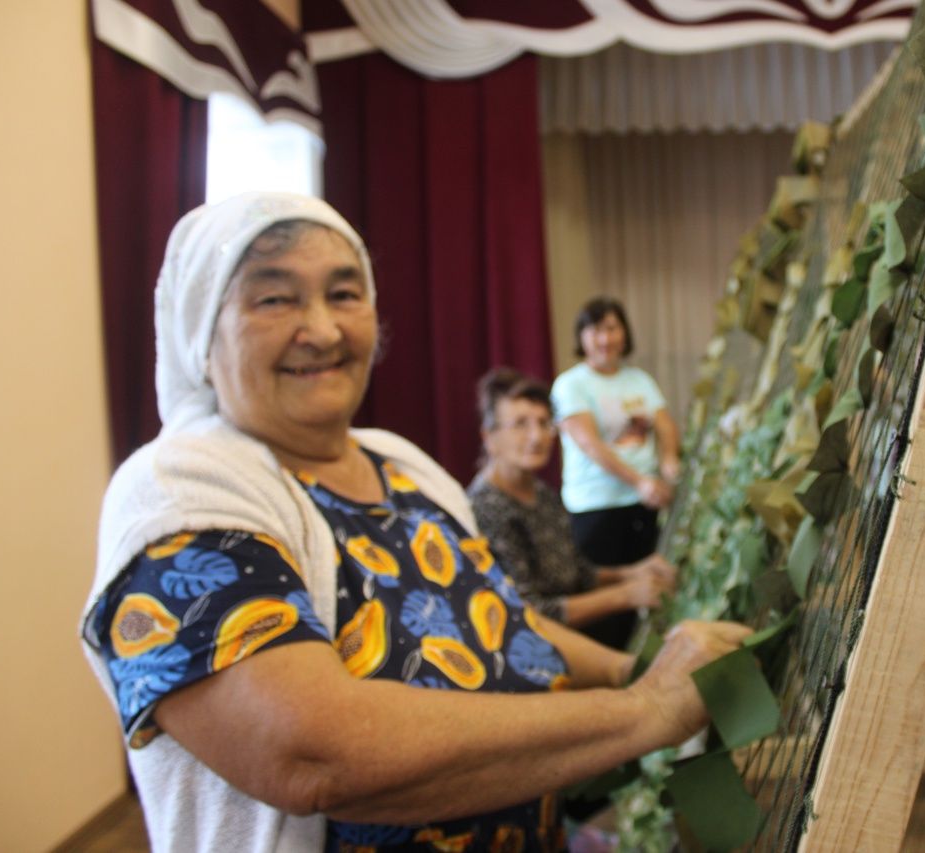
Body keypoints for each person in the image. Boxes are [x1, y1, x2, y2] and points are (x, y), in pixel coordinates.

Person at [79, 192, 749, 852]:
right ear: (201, 331)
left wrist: (636, 670)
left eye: (344, 293)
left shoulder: (402, 464)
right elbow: (312, 753)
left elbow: (497, 617)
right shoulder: (176, 494)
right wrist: (643, 710)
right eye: (274, 298)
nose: (323, 329)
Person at [468, 368, 677, 649]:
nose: (536, 436)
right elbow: (528, 613)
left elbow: (576, 571)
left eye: (544, 423)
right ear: (489, 437)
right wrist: (627, 594)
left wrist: (632, 572)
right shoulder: (486, 507)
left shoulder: (542, 493)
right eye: (520, 424)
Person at [551, 298, 681, 578]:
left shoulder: (640, 380)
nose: (605, 338)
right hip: (598, 506)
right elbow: (589, 444)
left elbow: (665, 425)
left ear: (624, 333)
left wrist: (669, 460)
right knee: (610, 599)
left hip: (644, 504)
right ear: (582, 337)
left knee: (651, 587)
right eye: (596, 330)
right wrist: (639, 481)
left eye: (612, 329)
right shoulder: (570, 384)